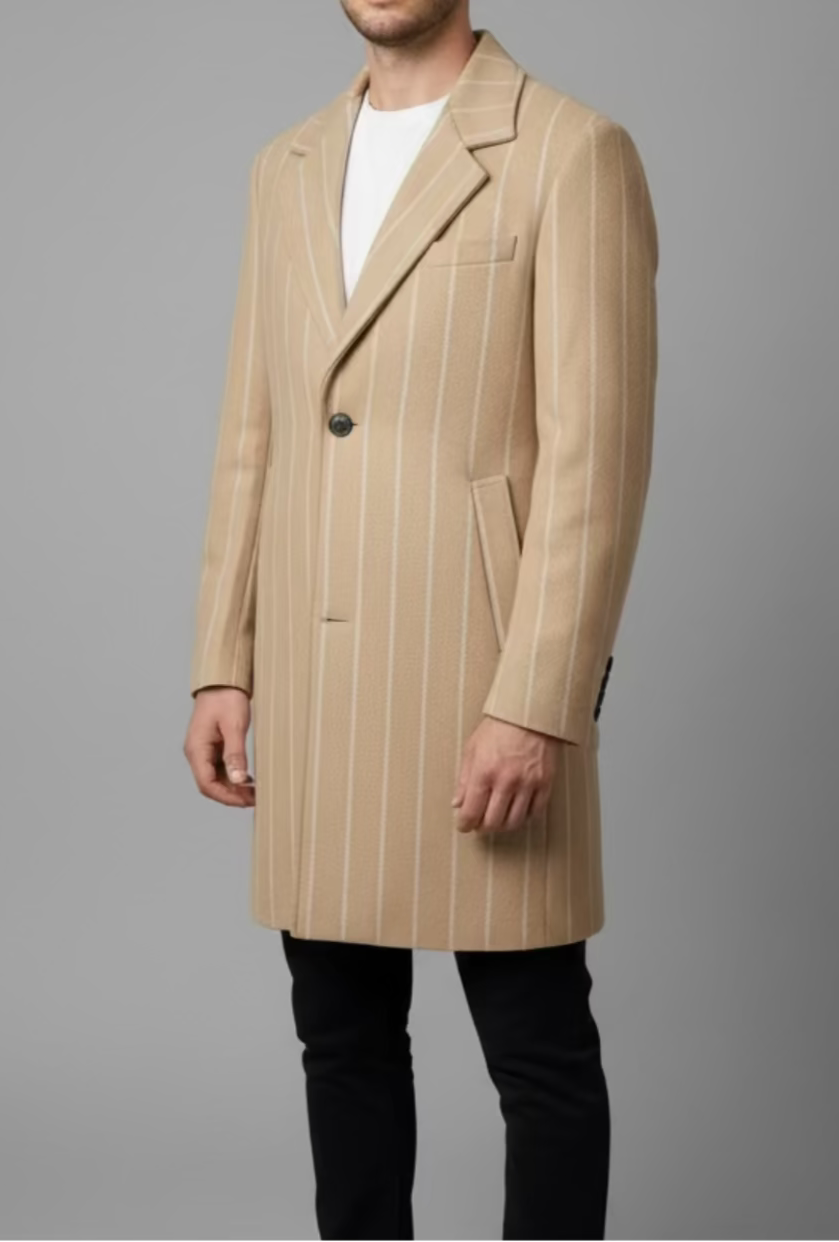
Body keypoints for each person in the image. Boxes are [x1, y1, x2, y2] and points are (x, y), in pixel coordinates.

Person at [183, 2, 658, 1238]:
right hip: (316, 675)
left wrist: (537, 702)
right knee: (339, 1042)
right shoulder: (285, 165)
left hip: (477, 680)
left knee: (537, 1054)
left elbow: (595, 464)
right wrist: (222, 660)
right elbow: (254, 432)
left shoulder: (570, 149)